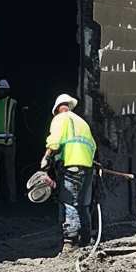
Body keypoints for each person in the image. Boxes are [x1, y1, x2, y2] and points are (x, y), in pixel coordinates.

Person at [41, 93, 96, 251]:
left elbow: (55, 141)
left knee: (68, 202)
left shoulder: (60, 118)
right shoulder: (82, 122)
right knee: (83, 204)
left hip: (72, 164)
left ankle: (70, 242)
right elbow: (92, 145)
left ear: (58, 109)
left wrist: (46, 157)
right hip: (87, 166)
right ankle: (85, 240)